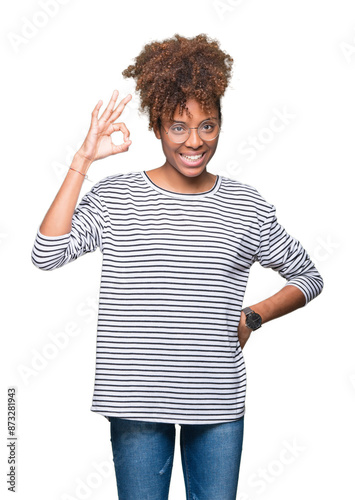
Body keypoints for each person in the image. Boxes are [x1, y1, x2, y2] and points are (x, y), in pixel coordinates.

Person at [31, 34, 323, 500]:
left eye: (208, 126)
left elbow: (310, 277)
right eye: (178, 127)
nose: (195, 142)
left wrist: (254, 316)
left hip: (217, 396)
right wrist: (83, 158)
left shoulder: (246, 206)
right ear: (157, 126)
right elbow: (48, 253)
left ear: (221, 124)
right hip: (136, 398)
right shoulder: (117, 198)